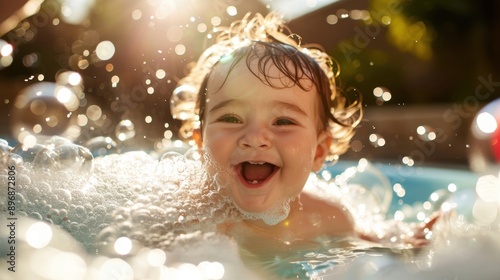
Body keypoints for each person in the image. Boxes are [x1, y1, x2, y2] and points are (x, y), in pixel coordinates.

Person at [170, 12, 435, 250]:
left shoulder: (327, 219)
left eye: (283, 122)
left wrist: (403, 242)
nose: (254, 138)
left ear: (318, 152)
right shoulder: (181, 216)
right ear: (200, 143)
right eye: (231, 117)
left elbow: (368, 243)